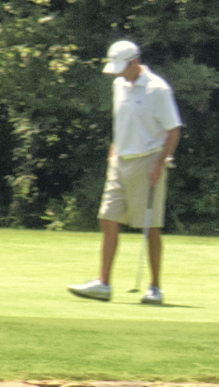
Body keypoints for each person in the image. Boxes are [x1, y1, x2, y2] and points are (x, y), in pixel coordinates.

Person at [70, 38, 180, 304]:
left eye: (122, 66)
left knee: (149, 227)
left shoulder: (158, 89)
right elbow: (122, 122)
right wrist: (114, 148)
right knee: (108, 219)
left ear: (135, 62)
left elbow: (173, 130)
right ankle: (103, 284)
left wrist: (159, 163)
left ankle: (155, 287)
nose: (118, 72)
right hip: (120, 161)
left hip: (148, 161)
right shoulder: (119, 85)